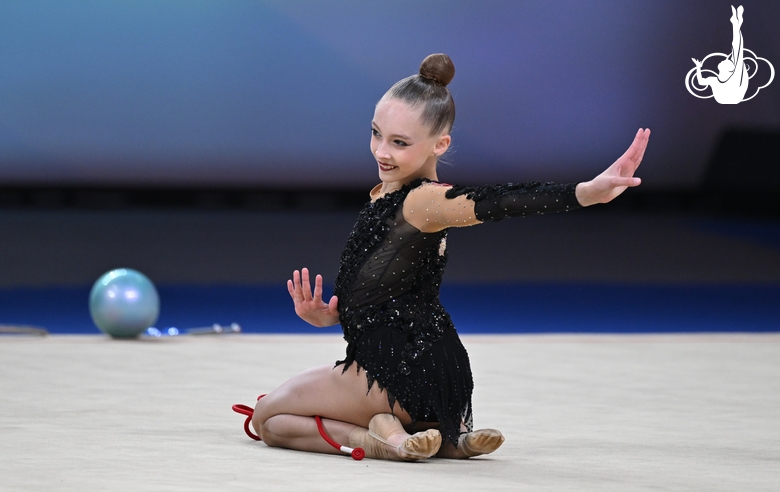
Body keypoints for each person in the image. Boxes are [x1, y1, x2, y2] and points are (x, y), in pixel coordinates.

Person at [250, 53, 650, 461]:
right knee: (287, 411)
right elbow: (391, 291)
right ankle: (445, 435)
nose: (381, 151)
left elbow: (500, 201)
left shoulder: (425, 200)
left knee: (268, 418)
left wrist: (585, 192)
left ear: (440, 144)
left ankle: (376, 437)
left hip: (393, 371)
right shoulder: (391, 192)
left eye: (399, 143)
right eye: (376, 133)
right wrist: (332, 316)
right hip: (443, 371)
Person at [692, 5, 748, 104]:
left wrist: (698, 68)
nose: (724, 59)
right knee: (737, 52)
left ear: (729, 69)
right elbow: (701, 82)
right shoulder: (715, 80)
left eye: (727, 61)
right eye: (728, 61)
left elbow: (737, 49)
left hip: (733, 95)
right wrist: (698, 67)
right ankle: (736, 24)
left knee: (737, 51)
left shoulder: (730, 78)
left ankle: (736, 24)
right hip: (731, 96)